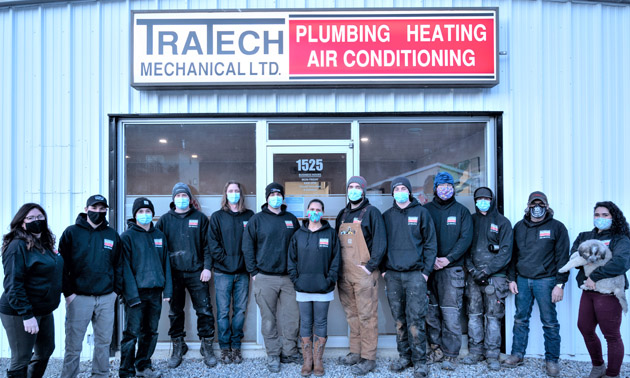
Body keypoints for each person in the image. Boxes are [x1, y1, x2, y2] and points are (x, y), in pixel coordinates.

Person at [504, 191, 570, 377]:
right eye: (534, 205)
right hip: (523, 280)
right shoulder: (519, 227)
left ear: (547, 207)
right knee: (520, 319)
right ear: (528, 206)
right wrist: (511, 278)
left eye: (541, 204)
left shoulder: (557, 227)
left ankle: (551, 360)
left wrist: (560, 284)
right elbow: (512, 255)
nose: (537, 208)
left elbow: (563, 258)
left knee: (549, 322)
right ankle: (517, 355)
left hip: (546, 281)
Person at [59, 194, 123, 378]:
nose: (98, 212)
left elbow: (118, 265)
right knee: (73, 344)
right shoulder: (72, 233)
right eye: (94, 208)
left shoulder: (112, 235)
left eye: (102, 209)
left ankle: (100, 374)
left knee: (103, 342)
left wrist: (115, 292)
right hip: (79, 298)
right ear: (86, 209)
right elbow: (62, 265)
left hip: (105, 298)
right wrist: (69, 293)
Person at [155, 183, 216, 369]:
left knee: (204, 310)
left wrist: (207, 267)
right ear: (173, 199)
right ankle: (178, 346)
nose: (181, 198)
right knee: (175, 312)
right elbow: (159, 248)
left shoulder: (200, 219)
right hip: (173, 274)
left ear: (190, 198)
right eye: (178, 195)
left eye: (184, 195)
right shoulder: (164, 220)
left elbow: (208, 245)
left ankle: (207, 347)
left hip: (197, 273)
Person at [381, 177, 437, 378]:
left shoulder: (421, 212)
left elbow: (430, 244)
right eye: (397, 189)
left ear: (410, 192)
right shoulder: (386, 216)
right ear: (392, 193)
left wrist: (425, 272)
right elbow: (379, 245)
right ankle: (404, 357)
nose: (401, 191)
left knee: (416, 320)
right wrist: (383, 270)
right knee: (399, 321)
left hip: (415, 275)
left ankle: (420, 361)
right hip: (393, 275)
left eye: (404, 188)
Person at [242, 182, 301, 373]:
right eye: (272, 194)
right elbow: (247, 247)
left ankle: (290, 351)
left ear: (283, 197)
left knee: (292, 317)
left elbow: (299, 245)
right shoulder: (256, 220)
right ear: (267, 197)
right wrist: (254, 272)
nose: (276, 197)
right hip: (265, 277)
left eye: (279, 194)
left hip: (289, 278)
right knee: (268, 319)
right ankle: (273, 354)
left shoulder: (291, 219)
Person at [0, 203, 63, 378]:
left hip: (43, 309)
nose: (37, 221)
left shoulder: (45, 243)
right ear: (22, 222)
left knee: (46, 349)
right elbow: (13, 285)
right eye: (31, 218)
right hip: (19, 311)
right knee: (22, 357)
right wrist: (27, 315)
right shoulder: (17, 246)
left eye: (40, 217)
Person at [335, 176, 387, 376]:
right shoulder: (343, 214)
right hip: (344, 274)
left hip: (364, 273)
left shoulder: (371, 213)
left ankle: (368, 357)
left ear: (364, 191)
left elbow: (380, 243)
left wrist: (370, 267)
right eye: (351, 187)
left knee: (367, 316)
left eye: (358, 187)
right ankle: (355, 352)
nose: (354, 190)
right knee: (352, 315)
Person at [423, 172, 473, 370]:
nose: (445, 189)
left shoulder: (461, 212)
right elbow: (421, 237)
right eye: (441, 186)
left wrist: (448, 259)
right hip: (429, 269)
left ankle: (451, 354)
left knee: (451, 313)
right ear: (435, 188)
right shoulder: (426, 210)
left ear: (453, 188)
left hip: (452, 270)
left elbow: (465, 239)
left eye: (448, 186)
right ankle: (435, 349)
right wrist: (431, 260)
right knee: (431, 312)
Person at [574, 201, 630, 378]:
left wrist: (594, 275)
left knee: (611, 334)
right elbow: (575, 255)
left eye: (605, 215)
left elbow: (620, 262)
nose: (600, 218)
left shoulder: (620, 238)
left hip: (609, 292)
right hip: (589, 291)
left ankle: (612, 374)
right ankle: (598, 365)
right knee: (584, 327)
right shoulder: (585, 235)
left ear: (614, 217)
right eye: (597, 215)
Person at [119, 197, 172, 378]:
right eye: (140, 212)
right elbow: (124, 268)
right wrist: (131, 295)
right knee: (131, 333)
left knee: (150, 332)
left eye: (148, 212)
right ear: (134, 215)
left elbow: (166, 264)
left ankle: (143, 365)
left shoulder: (159, 236)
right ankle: (126, 370)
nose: (145, 215)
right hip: (135, 293)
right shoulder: (127, 237)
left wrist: (168, 290)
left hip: (155, 292)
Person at [461, 187, 513, 371]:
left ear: (492, 200)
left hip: (495, 279)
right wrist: (474, 270)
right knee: (473, 315)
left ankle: (492, 354)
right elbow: (464, 248)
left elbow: (506, 252)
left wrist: (488, 271)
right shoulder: (470, 221)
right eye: (479, 198)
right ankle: (475, 352)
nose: (483, 201)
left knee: (493, 317)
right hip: (473, 277)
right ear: (475, 200)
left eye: (486, 198)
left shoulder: (502, 222)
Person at [288, 199, 340, 377]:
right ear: (307, 211)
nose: (315, 212)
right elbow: (291, 260)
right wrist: (296, 280)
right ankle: (307, 360)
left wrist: (330, 280)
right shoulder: (298, 234)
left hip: (323, 288)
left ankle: (318, 361)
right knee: (306, 322)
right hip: (303, 287)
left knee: (320, 322)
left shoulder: (331, 234)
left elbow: (336, 260)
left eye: (318, 209)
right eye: (312, 209)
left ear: (323, 213)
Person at [209, 181, 254, 365]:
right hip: (222, 273)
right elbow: (213, 244)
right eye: (230, 191)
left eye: (236, 191)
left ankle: (236, 347)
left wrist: (246, 264)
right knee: (222, 313)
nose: (234, 193)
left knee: (240, 311)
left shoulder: (250, 216)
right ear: (225, 194)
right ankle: (224, 348)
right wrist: (227, 261)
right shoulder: (217, 217)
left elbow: (253, 243)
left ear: (241, 194)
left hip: (243, 273)